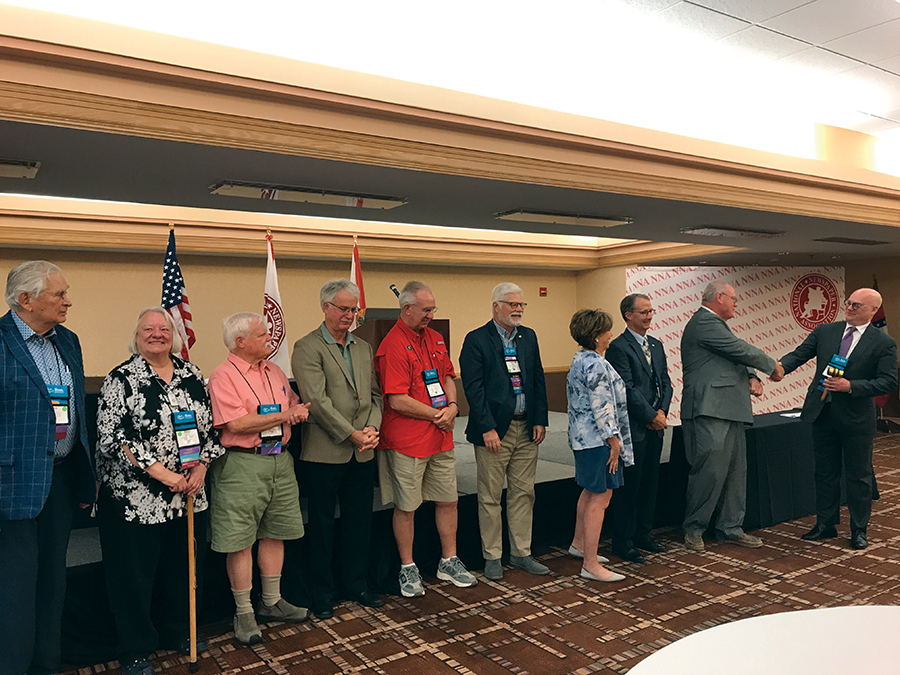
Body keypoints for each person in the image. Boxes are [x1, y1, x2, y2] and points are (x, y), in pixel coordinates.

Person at [95, 308, 224, 675]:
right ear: (136, 336)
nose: (157, 334)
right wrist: (164, 475)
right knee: (133, 581)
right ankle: (135, 648)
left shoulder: (192, 374)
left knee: (183, 571)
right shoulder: (121, 379)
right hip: (136, 503)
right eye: (148, 328)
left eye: (164, 328)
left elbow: (210, 431)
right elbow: (113, 439)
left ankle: (179, 631)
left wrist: (200, 466)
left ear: (175, 335)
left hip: (188, 497)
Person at [0, 261, 95, 675]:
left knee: (53, 585)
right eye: (59, 294)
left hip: (59, 480)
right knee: (14, 592)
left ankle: (46, 666)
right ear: (25, 299)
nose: (67, 301)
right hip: (12, 486)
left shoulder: (68, 341)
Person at [207, 312, 311, 645]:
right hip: (242, 464)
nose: (270, 338)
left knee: (274, 532)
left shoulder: (275, 371)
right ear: (240, 342)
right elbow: (235, 424)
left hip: (279, 462)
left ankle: (271, 602)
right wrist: (286, 415)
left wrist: (296, 408)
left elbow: (292, 402)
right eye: (262, 334)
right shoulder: (222, 376)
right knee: (239, 541)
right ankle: (244, 613)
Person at [374, 281, 477, 597]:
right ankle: (408, 567)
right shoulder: (391, 346)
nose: (432, 315)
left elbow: (447, 375)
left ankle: (449, 560)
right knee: (406, 506)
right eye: (426, 310)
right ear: (406, 309)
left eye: (433, 309)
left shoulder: (435, 338)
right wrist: (437, 414)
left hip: (441, 438)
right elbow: (397, 399)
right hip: (407, 442)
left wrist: (453, 406)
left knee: (448, 499)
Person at [292, 279, 384, 619]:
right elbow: (316, 402)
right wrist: (352, 434)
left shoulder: (362, 347)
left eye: (353, 309)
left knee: (359, 522)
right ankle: (322, 593)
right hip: (325, 452)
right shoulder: (306, 347)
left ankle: (356, 585)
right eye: (343, 308)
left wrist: (372, 428)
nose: (349, 315)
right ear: (325, 307)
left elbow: (375, 395)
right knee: (321, 527)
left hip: (363, 450)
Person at [779, 288, 897, 550]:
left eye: (857, 305)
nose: (850, 308)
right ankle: (825, 524)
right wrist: (778, 369)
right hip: (823, 413)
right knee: (825, 472)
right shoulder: (826, 331)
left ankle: (858, 529)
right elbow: (799, 355)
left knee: (858, 476)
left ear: (872, 310)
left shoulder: (883, 342)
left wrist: (851, 386)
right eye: (848, 303)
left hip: (856, 418)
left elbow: (889, 381)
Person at [680, 280, 784, 552]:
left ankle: (730, 527)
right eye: (734, 299)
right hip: (709, 408)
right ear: (719, 298)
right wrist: (772, 366)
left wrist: (750, 375)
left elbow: (730, 354)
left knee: (736, 472)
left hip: (730, 408)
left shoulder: (716, 326)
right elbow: (737, 348)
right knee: (710, 471)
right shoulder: (704, 322)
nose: (737, 304)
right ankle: (694, 528)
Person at [459, 282, 549, 581]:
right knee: (490, 497)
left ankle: (521, 553)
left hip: (527, 428)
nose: (519, 309)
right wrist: (486, 427)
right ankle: (492, 556)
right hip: (495, 430)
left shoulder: (528, 337)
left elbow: (537, 379)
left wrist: (540, 419)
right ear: (496, 306)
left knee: (524, 493)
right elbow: (474, 390)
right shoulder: (476, 340)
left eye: (521, 305)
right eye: (512, 304)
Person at [605, 293, 672, 564]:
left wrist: (661, 412)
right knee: (630, 487)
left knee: (650, 483)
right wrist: (648, 415)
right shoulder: (618, 347)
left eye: (651, 311)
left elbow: (666, 381)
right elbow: (626, 388)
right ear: (628, 315)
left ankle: (644, 533)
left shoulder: (655, 344)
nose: (649, 316)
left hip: (656, 424)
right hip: (634, 428)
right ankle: (623, 540)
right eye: (643, 312)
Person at [566, 309, 630, 583]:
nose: (610, 335)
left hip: (584, 439)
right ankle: (590, 563)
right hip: (597, 440)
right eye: (607, 331)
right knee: (601, 497)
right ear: (595, 335)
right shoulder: (594, 363)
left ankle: (579, 545)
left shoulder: (580, 358)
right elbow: (601, 405)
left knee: (589, 492)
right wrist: (613, 441)